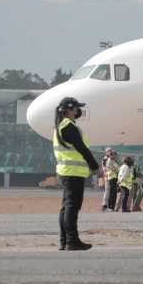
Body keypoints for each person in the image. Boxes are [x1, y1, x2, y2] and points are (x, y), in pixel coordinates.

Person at [53, 97, 99, 251]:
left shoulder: (60, 126)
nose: (78, 111)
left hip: (65, 172)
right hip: (73, 173)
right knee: (72, 207)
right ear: (69, 110)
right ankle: (72, 241)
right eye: (76, 108)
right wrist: (94, 166)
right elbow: (82, 148)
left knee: (66, 207)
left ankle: (64, 241)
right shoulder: (69, 127)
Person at [101, 147, 119, 212]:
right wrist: (105, 173)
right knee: (108, 190)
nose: (110, 152)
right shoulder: (105, 159)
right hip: (108, 176)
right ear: (106, 152)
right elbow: (104, 168)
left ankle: (107, 205)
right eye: (109, 151)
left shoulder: (111, 158)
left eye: (110, 151)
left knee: (110, 191)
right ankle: (105, 205)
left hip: (110, 176)